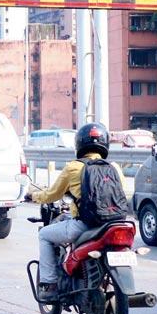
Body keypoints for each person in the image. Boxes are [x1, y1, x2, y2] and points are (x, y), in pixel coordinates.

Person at [27, 122, 110, 301]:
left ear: (79, 144)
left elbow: (52, 194)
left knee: (45, 235)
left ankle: (49, 285)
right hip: (112, 224)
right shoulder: (113, 168)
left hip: (85, 225)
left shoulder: (73, 167)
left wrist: (34, 196)